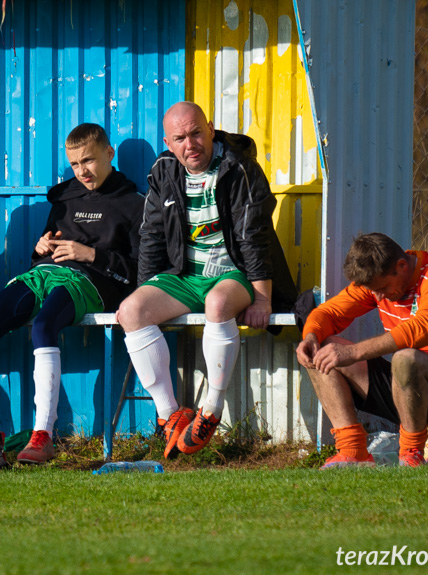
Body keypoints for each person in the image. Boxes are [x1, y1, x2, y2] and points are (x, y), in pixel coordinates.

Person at [116, 101, 296, 459]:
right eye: (180, 138)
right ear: (168, 142)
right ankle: (169, 417)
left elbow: (254, 236)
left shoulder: (240, 168)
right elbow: (151, 234)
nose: (190, 144)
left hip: (234, 272)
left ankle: (210, 411)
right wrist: (146, 290)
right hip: (186, 274)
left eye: (197, 133)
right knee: (131, 311)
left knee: (216, 304)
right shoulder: (164, 171)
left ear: (211, 129)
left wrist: (262, 299)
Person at [0, 123, 144, 463]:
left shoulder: (134, 204)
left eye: (88, 160)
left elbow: (139, 272)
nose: (82, 171)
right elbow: (47, 244)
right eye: (74, 164)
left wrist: (91, 255)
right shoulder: (64, 196)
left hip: (88, 283)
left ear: (109, 153)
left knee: (44, 327)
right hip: (44, 274)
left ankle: (43, 435)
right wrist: (41, 246)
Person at [296, 233, 428, 468]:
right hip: (407, 394)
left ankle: (411, 455)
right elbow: (328, 313)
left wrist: (354, 353)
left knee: (406, 358)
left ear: (401, 266)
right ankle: (352, 451)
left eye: (383, 288)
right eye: (373, 290)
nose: (378, 296)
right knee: (321, 350)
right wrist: (311, 336)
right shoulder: (378, 281)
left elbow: (425, 329)